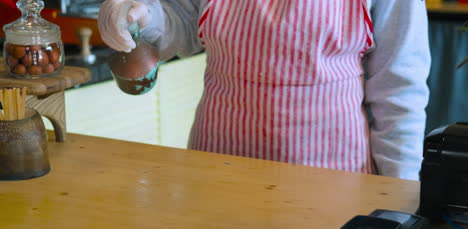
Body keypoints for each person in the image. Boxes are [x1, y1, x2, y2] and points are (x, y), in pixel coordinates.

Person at [98, 0, 431, 180]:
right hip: (218, 165)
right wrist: (142, 14)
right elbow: (183, 23)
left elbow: (400, 87)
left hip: (331, 176)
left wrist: (398, 188)